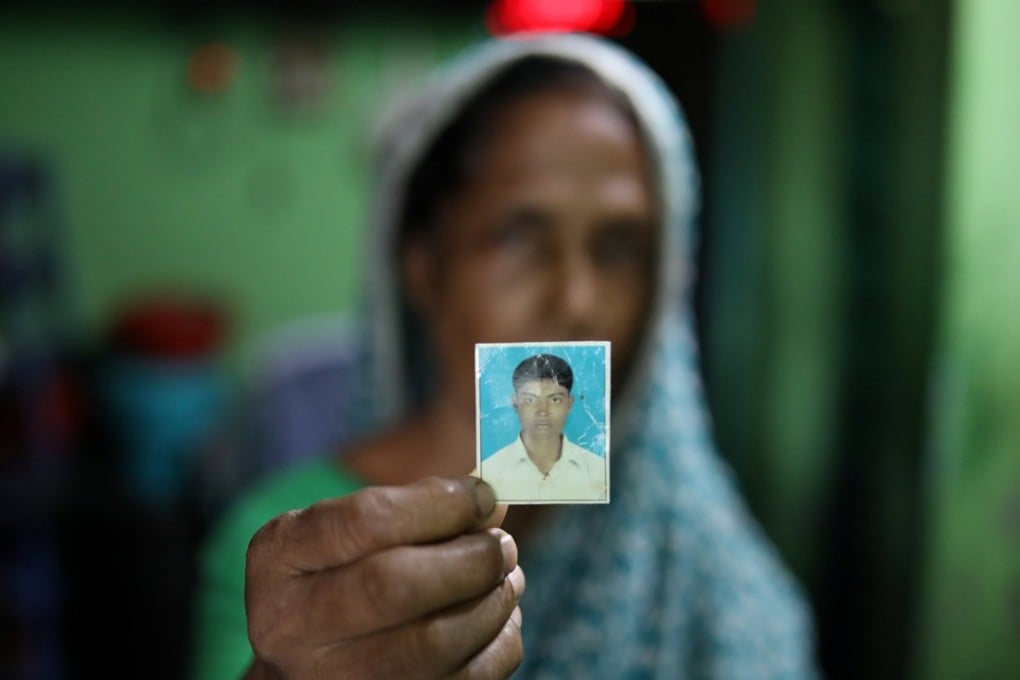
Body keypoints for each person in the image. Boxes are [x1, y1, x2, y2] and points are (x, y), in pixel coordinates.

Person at [192, 33, 817, 679]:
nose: (576, 299)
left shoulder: (711, 577)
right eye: (519, 237)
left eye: (618, 248)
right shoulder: (298, 554)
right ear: (422, 264)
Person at [482, 353, 607, 502]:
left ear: (569, 403)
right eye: (530, 399)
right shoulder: (489, 473)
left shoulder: (599, 472)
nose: (542, 411)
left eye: (555, 400)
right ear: (515, 403)